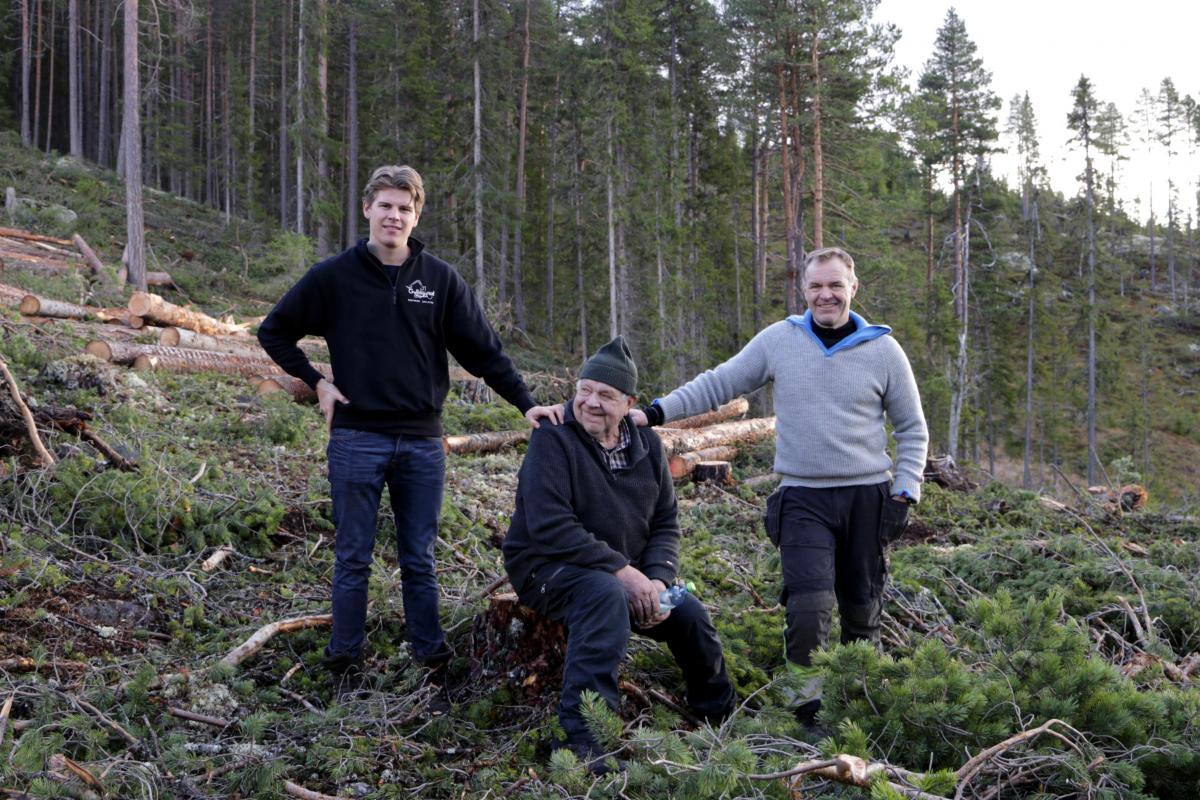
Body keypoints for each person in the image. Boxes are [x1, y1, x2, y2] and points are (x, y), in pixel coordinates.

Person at [258, 164, 560, 692]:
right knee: (354, 554)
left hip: (422, 442)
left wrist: (525, 405)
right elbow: (274, 331)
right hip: (356, 438)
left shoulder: (439, 280)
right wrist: (317, 382)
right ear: (367, 209)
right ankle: (344, 664)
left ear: (415, 215)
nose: (394, 215)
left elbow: (484, 352)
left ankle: (430, 660)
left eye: (405, 208)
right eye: (386, 205)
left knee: (419, 556)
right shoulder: (334, 277)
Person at [636, 246, 928, 725]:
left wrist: (905, 490)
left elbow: (912, 427)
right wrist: (654, 413)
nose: (826, 294)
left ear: (853, 288)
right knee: (809, 607)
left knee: (861, 608)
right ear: (804, 290)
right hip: (802, 498)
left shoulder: (884, 350)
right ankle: (804, 708)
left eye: (835, 285)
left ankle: (859, 706)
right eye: (816, 286)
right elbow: (720, 383)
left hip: (868, 497)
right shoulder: (780, 340)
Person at [503, 337, 735, 773]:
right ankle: (585, 742)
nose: (590, 403)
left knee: (689, 612)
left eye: (605, 395)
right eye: (584, 390)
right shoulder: (553, 438)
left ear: (629, 402)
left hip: (622, 572)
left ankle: (717, 716)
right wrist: (623, 573)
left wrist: (659, 580)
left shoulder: (647, 446)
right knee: (604, 594)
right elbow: (551, 526)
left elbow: (665, 522)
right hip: (545, 567)